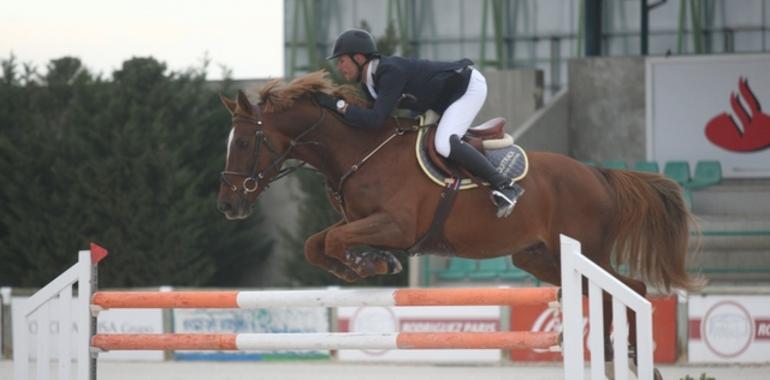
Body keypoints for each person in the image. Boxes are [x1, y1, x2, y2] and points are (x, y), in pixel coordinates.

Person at [317, 28, 521, 218]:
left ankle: (506, 186)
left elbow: (376, 120)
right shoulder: (369, 84)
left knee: (444, 143)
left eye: (342, 60)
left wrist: (339, 105)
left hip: (467, 87)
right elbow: (369, 120)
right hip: (441, 98)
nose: (338, 66)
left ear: (359, 57)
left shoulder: (389, 72)